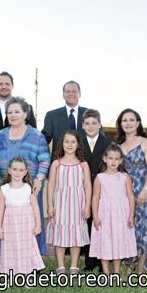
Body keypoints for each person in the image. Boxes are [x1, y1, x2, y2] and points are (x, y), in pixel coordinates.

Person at [0, 71, 37, 253]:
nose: (3, 86)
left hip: (21, 169)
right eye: (0, 83)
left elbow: (33, 132)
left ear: (12, 85)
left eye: (7, 83)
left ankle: (24, 243)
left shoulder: (25, 107)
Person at [0, 97, 50, 254]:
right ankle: (9, 255)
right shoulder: (0, 135)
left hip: (30, 186)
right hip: (5, 186)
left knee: (32, 221)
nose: (13, 115)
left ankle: (33, 256)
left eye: (17, 111)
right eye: (9, 112)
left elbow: (45, 160)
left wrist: (39, 180)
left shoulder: (36, 135)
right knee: (7, 221)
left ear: (25, 114)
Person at [117, 108, 147, 274]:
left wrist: (145, 190)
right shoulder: (118, 146)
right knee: (128, 226)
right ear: (121, 124)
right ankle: (129, 264)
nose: (128, 123)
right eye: (125, 120)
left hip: (142, 190)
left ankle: (141, 267)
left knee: (143, 227)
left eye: (131, 120)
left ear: (138, 123)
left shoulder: (145, 142)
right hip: (125, 192)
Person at [47, 130, 92, 274]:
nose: (70, 144)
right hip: (60, 204)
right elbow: (51, 186)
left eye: (73, 141)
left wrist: (88, 206)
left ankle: (74, 266)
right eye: (67, 141)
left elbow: (88, 186)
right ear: (62, 143)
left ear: (78, 144)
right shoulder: (56, 164)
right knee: (60, 234)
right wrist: (50, 205)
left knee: (76, 235)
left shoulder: (83, 164)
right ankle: (60, 266)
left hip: (78, 204)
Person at [89, 143, 137, 274]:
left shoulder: (125, 177)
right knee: (105, 241)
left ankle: (116, 272)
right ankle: (106, 272)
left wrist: (131, 215)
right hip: (104, 215)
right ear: (105, 158)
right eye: (110, 158)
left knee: (118, 242)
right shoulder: (100, 178)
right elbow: (95, 197)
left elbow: (131, 197)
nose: (113, 161)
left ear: (121, 160)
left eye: (116, 159)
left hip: (121, 215)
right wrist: (95, 216)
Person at [0, 156, 45, 274]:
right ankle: (10, 272)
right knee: (10, 248)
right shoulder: (4, 189)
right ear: (9, 170)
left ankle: (27, 273)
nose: (17, 172)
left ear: (25, 172)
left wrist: (38, 224)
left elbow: (35, 207)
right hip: (10, 225)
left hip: (26, 225)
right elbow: (0, 209)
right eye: (14, 169)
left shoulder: (29, 188)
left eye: (21, 170)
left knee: (26, 248)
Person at [80, 109, 112, 272]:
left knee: (102, 223)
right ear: (83, 125)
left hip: (103, 188)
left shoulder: (108, 143)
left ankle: (102, 260)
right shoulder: (78, 142)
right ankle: (89, 261)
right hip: (83, 187)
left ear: (100, 124)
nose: (91, 126)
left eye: (94, 123)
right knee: (87, 222)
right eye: (87, 123)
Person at [42, 81, 87, 156]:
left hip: (85, 162)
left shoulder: (89, 114)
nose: (71, 94)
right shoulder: (52, 115)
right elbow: (43, 141)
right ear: (63, 95)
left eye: (74, 91)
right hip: (59, 162)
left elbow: (99, 138)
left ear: (80, 94)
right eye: (68, 91)